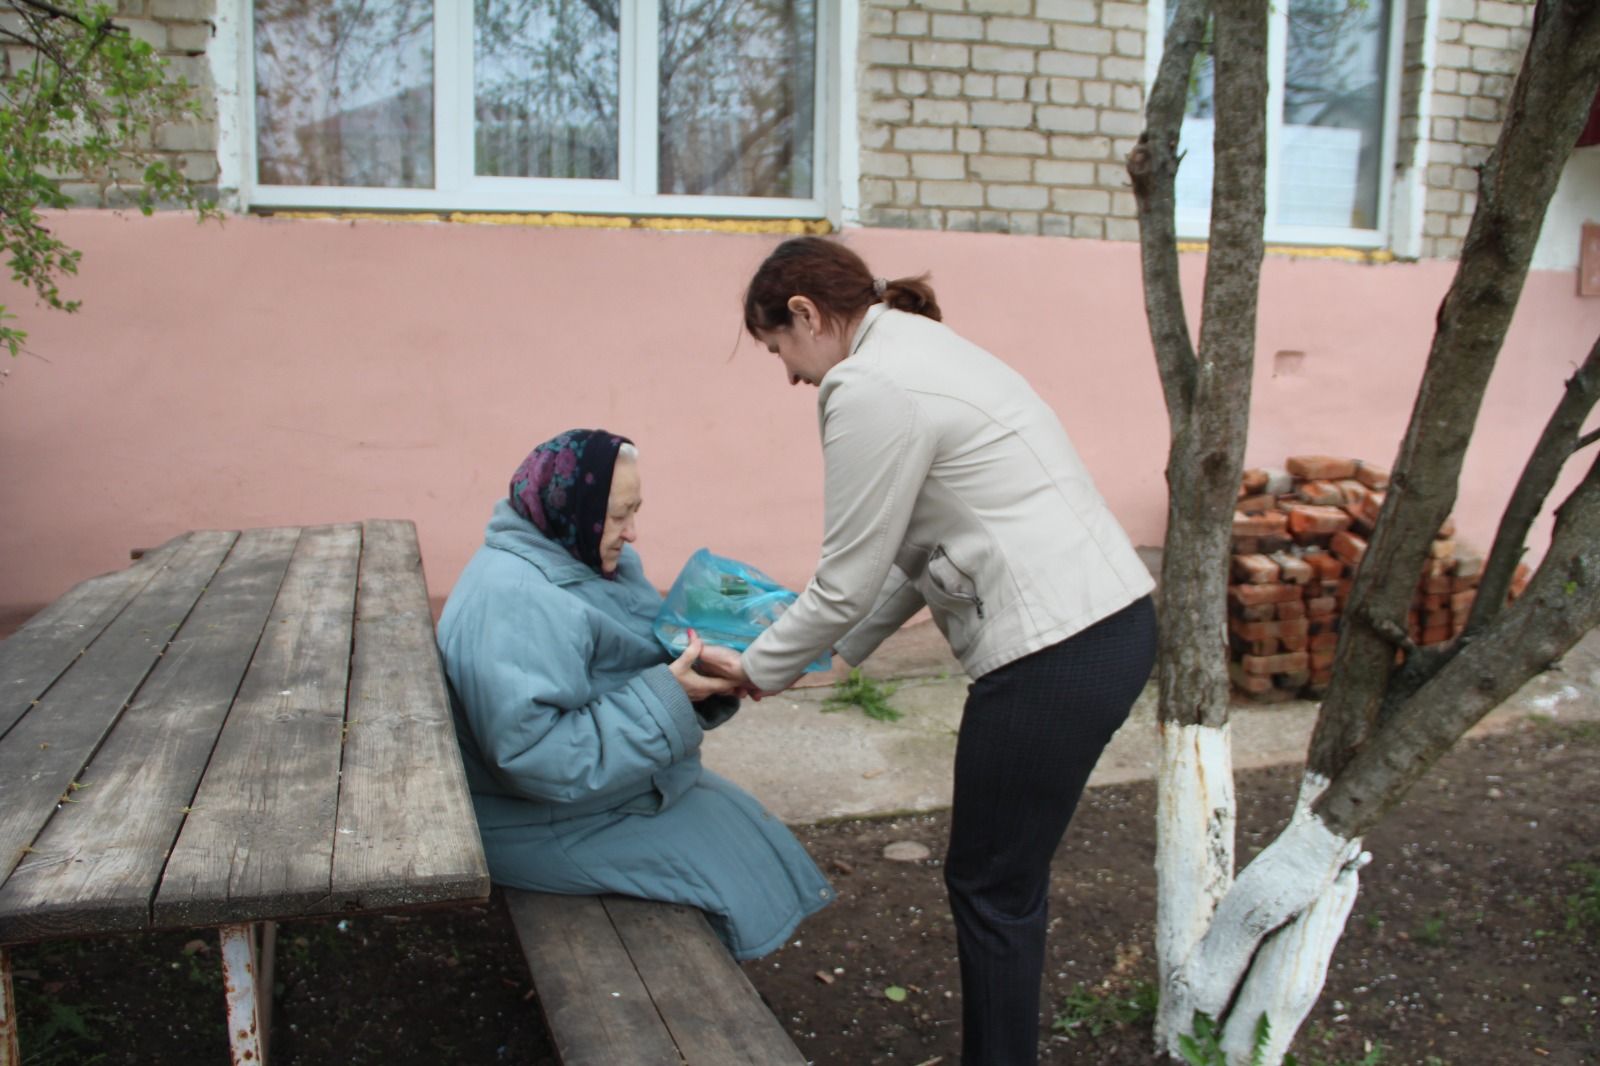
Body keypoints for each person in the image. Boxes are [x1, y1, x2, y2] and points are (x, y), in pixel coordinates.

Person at [698, 237, 1159, 1063]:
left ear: (805, 314)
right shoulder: (924, 347)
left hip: (1054, 651)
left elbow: (844, 577)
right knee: (1003, 882)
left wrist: (758, 669)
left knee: (991, 887)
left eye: (780, 350)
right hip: (1106, 628)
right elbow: (910, 548)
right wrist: (838, 654)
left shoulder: (867, 384)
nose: (791, 376)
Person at [436, 428, 832, 960]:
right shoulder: (517, 602)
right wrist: (671, 693)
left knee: (743, 833)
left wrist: (709, 674)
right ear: (571, 507)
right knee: (723, 863)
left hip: (587, 801)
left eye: (634, 511)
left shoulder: (577, 556)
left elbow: (630, 665)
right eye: (619, 515)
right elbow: (536, 758)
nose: (633, 532)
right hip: (532, 819)